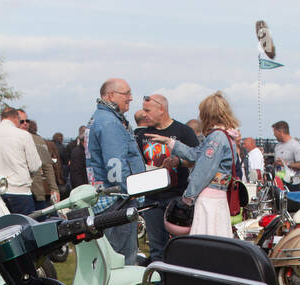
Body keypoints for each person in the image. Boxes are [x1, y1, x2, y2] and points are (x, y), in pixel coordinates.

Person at [146, 91, 241, 238]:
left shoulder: (215, 138)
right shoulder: (226, 136)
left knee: (204, 242)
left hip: (209, 200)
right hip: (218, 198)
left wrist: (188, 197)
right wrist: (169, 142)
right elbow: (196, 154)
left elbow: (203, 171)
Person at [85, 78, 145, 264]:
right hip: (117, 201)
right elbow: (115, 165)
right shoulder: (110, 122)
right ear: (111, 95)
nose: (131, 98)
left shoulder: (100, 117)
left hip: (106, 198)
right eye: (126, 94)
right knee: (123, 257)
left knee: (112, 255)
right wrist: (129, 191)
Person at [134, 93, 198, 263]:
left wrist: (179, 161)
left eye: (148, 110)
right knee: (156, 248)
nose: (144, 114)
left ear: (161, 109)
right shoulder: (143, 135)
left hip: (177, 197)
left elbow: (197, 159)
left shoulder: (183, 131)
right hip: (152, 198)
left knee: (182, 245)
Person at [0, 107, 40, 214]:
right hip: (20, 191)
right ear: (16, 119)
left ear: (1, 119)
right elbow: (35, 166)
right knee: (24, 227)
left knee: (2, 229)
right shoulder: (24, 136)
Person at [19, 115, 61, 210]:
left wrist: (54, 189)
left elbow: (47, 166)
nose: (25, 123)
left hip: (36, 191)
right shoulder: (9, 140)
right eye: (22, 121)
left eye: (27, 121)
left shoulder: (37, 140)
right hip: (17, 190)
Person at [270, 120, 300, 186]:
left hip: (292, 184)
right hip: (278, 183)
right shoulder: (277, 146)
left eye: (275, 132)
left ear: (280, 132)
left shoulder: (296, 146)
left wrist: (286, 164)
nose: (274, 135)